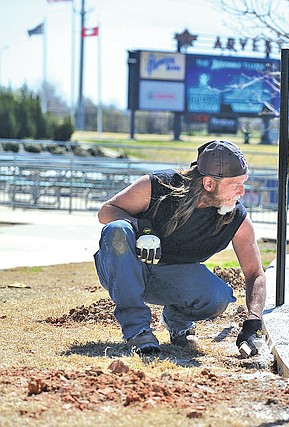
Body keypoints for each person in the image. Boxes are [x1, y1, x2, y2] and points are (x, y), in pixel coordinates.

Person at [93, 140, 266, 356]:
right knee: (117, 229)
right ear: (209, 184)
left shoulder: (236, 219)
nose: (242, 192)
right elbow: (106, 212)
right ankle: (137, 331)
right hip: (123, 268)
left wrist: (254, 321)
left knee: (218, 297)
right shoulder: (157, 186)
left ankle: (177, 321)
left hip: (165, 278)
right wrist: (142, 227)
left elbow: (255, 273)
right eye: (235, 185)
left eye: (244, 183)